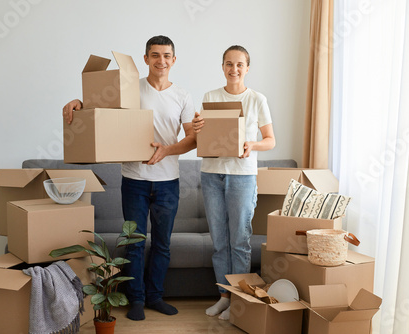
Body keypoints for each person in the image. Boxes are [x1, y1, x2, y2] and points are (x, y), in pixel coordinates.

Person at [62, 35, 196, 321]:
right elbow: (100, 106)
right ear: (146, 59)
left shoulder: (182, 96)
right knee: (134, 241)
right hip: (134, 180)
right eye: (155, 55)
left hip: (168, 183)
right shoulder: (131, 89)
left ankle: (155, 297)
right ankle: (135, 299)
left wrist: (167, 151)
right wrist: (78, 101)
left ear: (174, 60)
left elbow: (193, 139)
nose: (161, 60)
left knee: (162, 243)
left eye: (167, 55)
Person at [192, 45, 275, 320]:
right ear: (223, 67)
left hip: (242, 176)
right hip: (212, 173)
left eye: (239, 64)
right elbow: (206, 135)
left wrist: (252, 144)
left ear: (247, 68)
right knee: (219, 241)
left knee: (239, 240)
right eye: (229, 64)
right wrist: (198, 128)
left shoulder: (257, 99)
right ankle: (224, 297)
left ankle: (239, 301)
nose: (234, 69)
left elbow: (271, 140)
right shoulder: (211, 97)